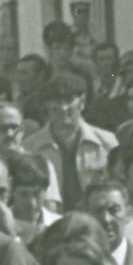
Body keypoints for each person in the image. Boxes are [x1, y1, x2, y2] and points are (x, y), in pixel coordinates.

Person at [23, 73, 117, 212]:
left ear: (82, 102)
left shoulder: (106, 142)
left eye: (68, 100)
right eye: (55, 101)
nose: (62, 108)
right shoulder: (30, 147)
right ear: (46, 106)